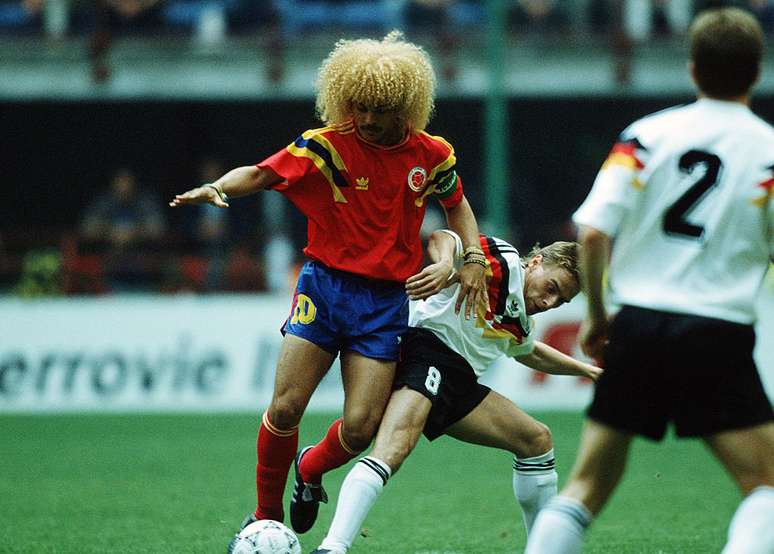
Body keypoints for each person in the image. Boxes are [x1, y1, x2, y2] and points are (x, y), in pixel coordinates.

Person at [168, 31, 489, 546]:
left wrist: (472, 257)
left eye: (380, 109)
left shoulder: (432, 154)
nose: (367, 118)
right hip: (325, 288)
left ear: (404, 107)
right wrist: (218, 187)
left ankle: (311, 468)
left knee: (360, 429)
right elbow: (261, 173)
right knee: (285, 408)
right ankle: (264, 517)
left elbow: (458, 207)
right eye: (359, 106)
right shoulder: (326, 145)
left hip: (385, 302)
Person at [525, 8, 774, 554]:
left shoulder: (645, 136)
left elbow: (592, 232)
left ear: (692, 68)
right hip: (717, 331)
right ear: (757, 72)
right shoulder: (768, 152)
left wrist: (597, 317)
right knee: (766, 486)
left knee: (586, 486)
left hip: (637, 326)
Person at [311, 230, 603, 553]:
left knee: (536, 440)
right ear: (535, 263)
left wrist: (587, 370)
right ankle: (332, 546)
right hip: (425, 351)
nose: (549, 303)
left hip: (459, 382)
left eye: (561, 301)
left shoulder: (521, 320)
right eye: (552, 288)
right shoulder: (502, 260)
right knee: (392, 449)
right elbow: (444, 236)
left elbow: (529, 352)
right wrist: (445, 263)